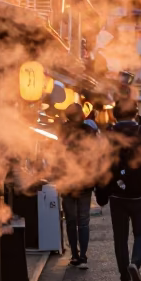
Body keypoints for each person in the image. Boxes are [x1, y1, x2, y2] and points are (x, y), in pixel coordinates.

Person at [96, 98, 141, 281]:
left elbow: (101, 165)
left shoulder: (108, 134)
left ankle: (124, 278)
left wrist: (101, 191)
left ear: (115, 114)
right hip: (140, 193)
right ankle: (135, 263)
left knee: (120, 237)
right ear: (135, 112)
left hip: (117, 194)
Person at [59, 103, 100, 268]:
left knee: (70, 220)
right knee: (83, 220)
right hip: (85, 181)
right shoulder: (89, 131)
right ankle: (83, 255)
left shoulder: (62, 131)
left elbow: (56, 154)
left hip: (67, 181)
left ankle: (75, 255)